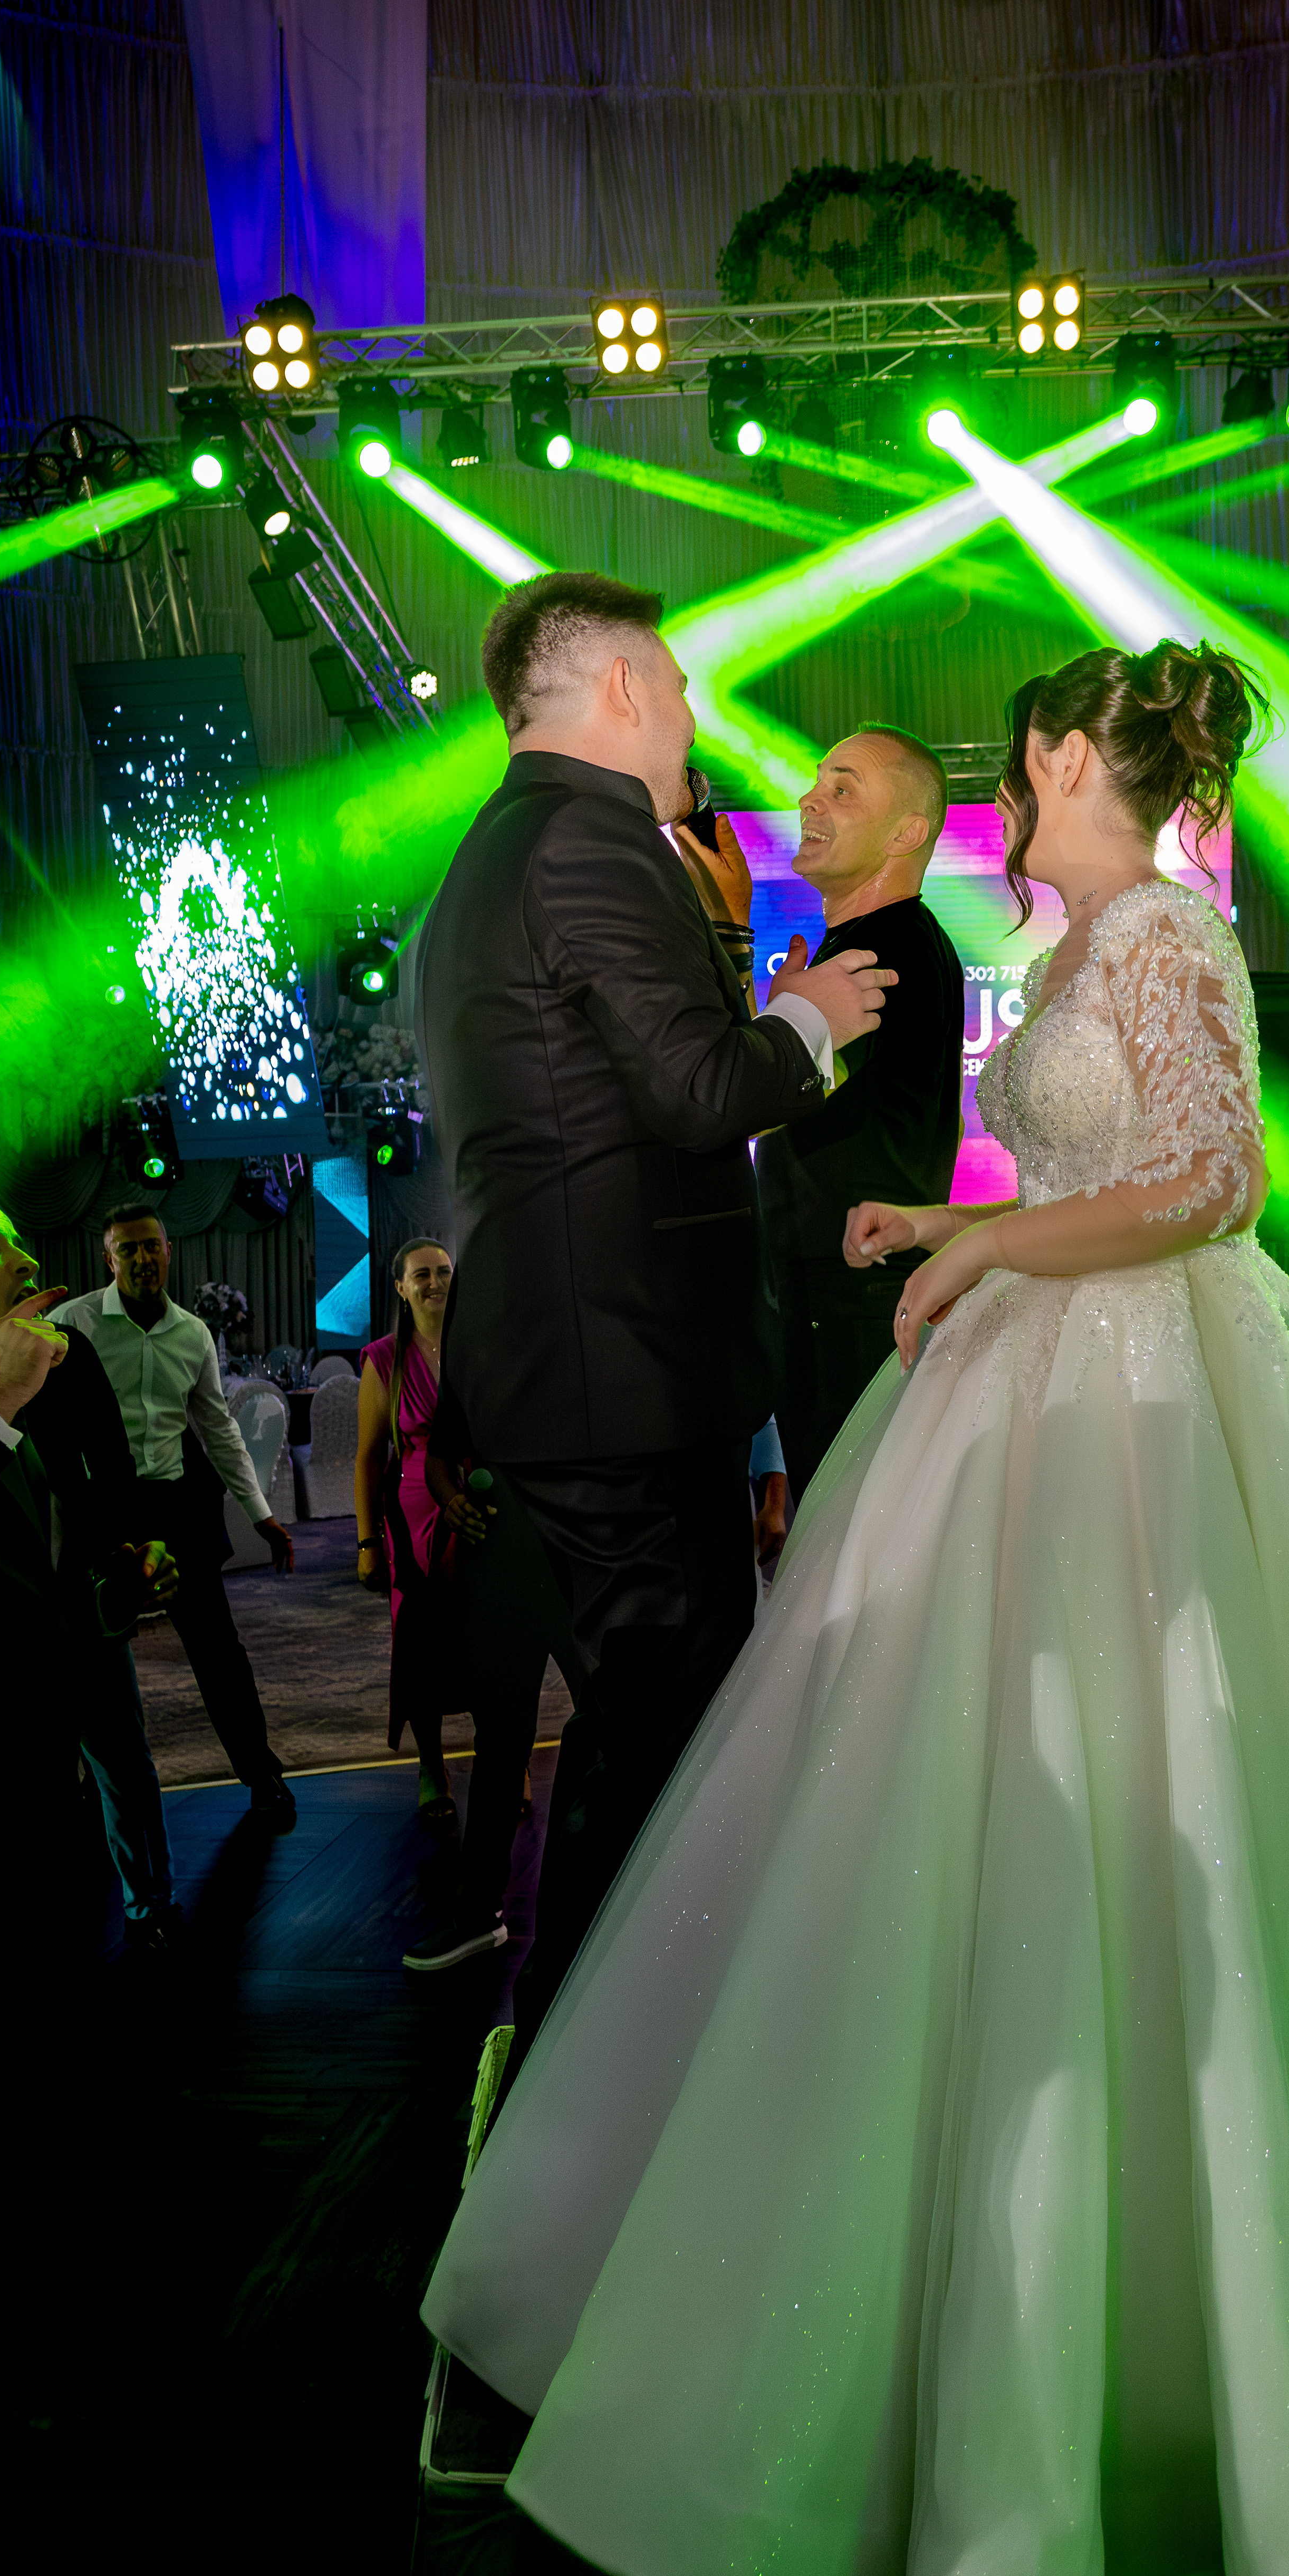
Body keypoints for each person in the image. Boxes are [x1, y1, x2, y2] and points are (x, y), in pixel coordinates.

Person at [424, 640, 1289, 2576]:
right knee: (969, 1811)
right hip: (1050, 1387)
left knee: (1156, 1793)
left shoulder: (1166, 935)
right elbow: (1110, 1176)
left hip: (1150, 1424)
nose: (1005, 784)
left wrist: (983, 1259)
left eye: (1018, 754)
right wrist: (956, 1216)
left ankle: (1191, 2378)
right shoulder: (1089, 936)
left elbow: (1209, 1191)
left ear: (1063, 755)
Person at [411, 570, 896, 1986]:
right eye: (679, 687)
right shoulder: (588, 838)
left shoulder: (505, 847)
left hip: (582, 1369)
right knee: (672, 1742)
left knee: (642, 1731)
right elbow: (696, 1090)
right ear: (622, 686)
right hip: (619, 1372)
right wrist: (809, 1016)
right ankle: (593, 2054)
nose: (690, 716)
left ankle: (586, 2044)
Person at [714, 725, 965, 1503]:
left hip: (851, 1298)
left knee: (852, 1536)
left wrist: (742, 963)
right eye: (818, 781)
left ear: (906, 833)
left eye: (843, 788)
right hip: (840, 1292)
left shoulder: (882, 952)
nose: (809, 800)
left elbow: (751, 1104)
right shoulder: (867, 944)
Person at [53, 1206, 299, 1829]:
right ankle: (83, 1788)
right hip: (99, 1509)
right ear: (109, 1259)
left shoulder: (192, 1333)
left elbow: (218, 1427)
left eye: (151, 1246)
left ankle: (262, 1774)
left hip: (172, 1503)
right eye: (127, 1249)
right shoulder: (73, 1323)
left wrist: (261, 1513)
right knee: (89, 1655)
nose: (142, 1258)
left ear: (169, 1251)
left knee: (217, 1648)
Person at [0, 1200, 183, 1942]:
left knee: (122, 1757)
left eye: (18, 1240)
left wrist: (134, 1549)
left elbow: (112, 1464)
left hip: (79, 1597)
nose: (26, 1259)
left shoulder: (67, 1352)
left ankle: (150, 1903)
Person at [355, 1236, 467, 1828]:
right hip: (414, 1518)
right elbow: (369, 1459)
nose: (435, 1282)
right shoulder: (384, 1358)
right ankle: (431, 1764)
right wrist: (368, 1541)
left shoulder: (479, 1346)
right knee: (420, 1641)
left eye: (443, 1271)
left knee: (492, 1635)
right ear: (400, 1287)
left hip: (481, 1504)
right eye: (421, 1275)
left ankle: (511, 1756)